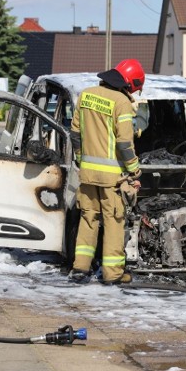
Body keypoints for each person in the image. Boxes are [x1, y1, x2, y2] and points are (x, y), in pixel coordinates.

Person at [69, 58, 145, 285]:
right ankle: (112, 274)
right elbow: (124, 143)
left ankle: (80, 268)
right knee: (114, 221)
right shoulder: (121, 102)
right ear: (131, 83)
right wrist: (134, 169)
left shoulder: (86, 94)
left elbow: (75, 133)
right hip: (113, 177)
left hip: (87, 173)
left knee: (88, 218)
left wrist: (82, 161)